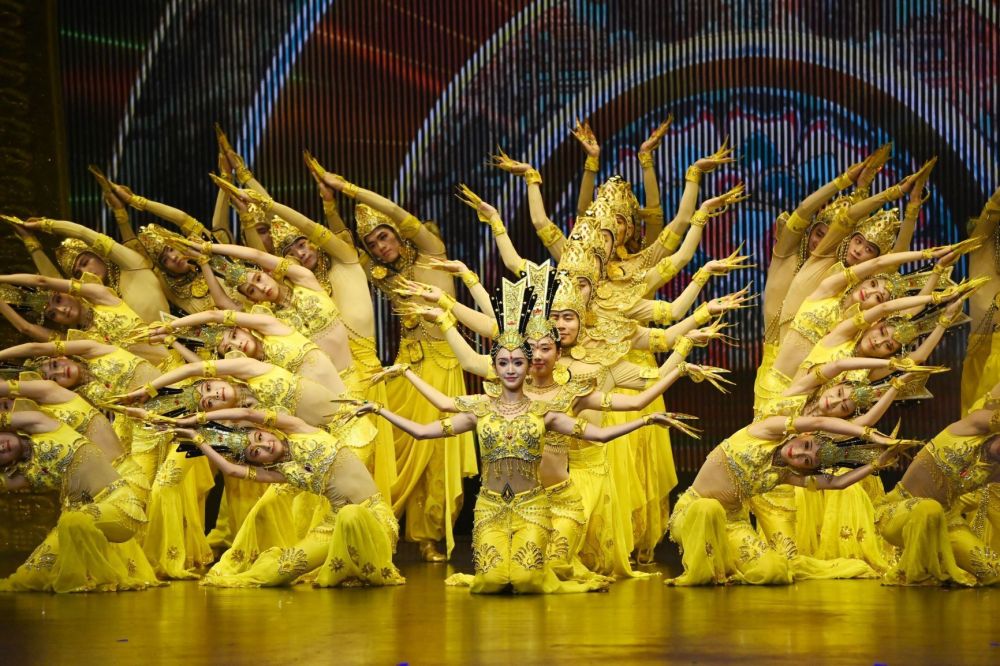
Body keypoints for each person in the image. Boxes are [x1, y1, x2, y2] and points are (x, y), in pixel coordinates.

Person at [357, 279, 690, 594]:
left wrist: (662, 395)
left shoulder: (563, 398)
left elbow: (612, 424)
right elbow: (438, 411)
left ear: (555, 353)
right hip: (502, 503)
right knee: (496, 581)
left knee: (541, 572)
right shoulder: (489, 401)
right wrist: (398, 383)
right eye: (514, 358)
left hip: (555, 498)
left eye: (543, 349)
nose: (523, 362)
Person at [666, 413, 914, 585]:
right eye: (806, 445)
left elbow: (837, 483)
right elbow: (819, 420)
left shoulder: (784, 474)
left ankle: (727, 566)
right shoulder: (764, 431)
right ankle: (704, 573)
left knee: (774, 571)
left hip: (732, 524)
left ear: (804, 468)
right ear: (803, 434)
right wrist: (870, 435)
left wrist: (875, 464)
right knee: (708, 508)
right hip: (692, 513)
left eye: (806, 460)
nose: (800, 453)